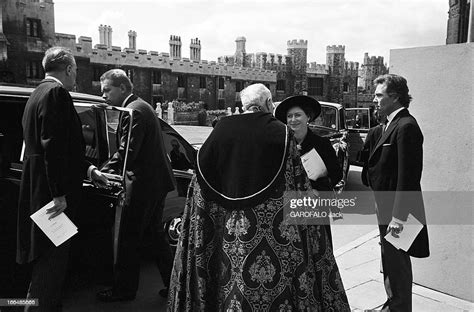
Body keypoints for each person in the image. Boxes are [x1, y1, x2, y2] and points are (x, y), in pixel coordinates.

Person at [168, 83, 350, 311]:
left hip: (223, 237)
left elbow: (199, 183)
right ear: (268, 104)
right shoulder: (281, 134)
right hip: (274, 244)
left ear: (243, 107)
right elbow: (298, 186)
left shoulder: (219, 130)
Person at [17, 47, 108, 311]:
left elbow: (58, 148)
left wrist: (90, 170)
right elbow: (53, 148)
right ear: (68, 69)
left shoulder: (36, 93)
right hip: (51, 196)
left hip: (36, 188)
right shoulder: (57, 93)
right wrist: (58, 194)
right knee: (51, 265)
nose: (75, 77)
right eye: (75, 71)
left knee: (49, 262)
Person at [96, 69, 175, 302]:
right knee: (155, 236)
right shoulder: (139, 107)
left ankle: (124, 290)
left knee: (129, 238)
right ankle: (174, 285)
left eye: (107, 90)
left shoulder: (134, 110)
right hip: (154, 184)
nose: (103, 96)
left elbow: (127, 152)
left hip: (143, 186)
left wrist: (101, 171)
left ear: (122, 88)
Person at [363, 74, 429, 311]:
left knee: (397, 262)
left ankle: (398, 307)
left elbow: (409, 177)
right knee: (389, 260)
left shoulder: (407, 126)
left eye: (379, 95)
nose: (374, 99)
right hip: (387, 208)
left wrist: (399, 217)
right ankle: (392, 304)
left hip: (399, 212)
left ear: (395, 97)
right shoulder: (390, 124)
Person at [274, 95, 343, 248]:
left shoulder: (322, 144)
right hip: (289, 208)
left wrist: (319, 189)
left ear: (308, 118)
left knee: (318, 247)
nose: (293, 120)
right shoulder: (281, 145)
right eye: (289, 116)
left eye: (297, 115)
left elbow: (337, 174)